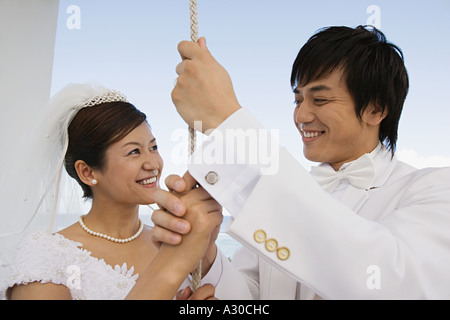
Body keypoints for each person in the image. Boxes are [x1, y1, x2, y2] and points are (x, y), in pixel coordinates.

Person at [151, 26, 450, 299]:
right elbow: (252, 294)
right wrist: (207, 256)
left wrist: (228, 123)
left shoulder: (433, 189)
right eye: (298, 100)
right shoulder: (287, 191)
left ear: (375, 109)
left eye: (319, 100)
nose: (301, 116)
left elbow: (389, 280)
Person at [1, 83, 222, 300]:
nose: (153, 163)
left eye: (153, 147)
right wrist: (172, 266)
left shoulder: (169, 239)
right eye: (134, 152)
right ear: (87, 172)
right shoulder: (46, 255)